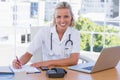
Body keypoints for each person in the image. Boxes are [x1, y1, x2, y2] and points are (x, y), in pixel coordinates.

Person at [12, 1, 80, 69]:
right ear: (54, 18)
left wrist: (47, 62)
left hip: (68, 71)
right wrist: (19, 62)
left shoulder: (75, 34)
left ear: (71, 17)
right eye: (58, 17)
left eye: (66, 16)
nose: (62, 20)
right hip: (48, 71)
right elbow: (28, 53)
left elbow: (74, 60)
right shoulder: (44, 32)